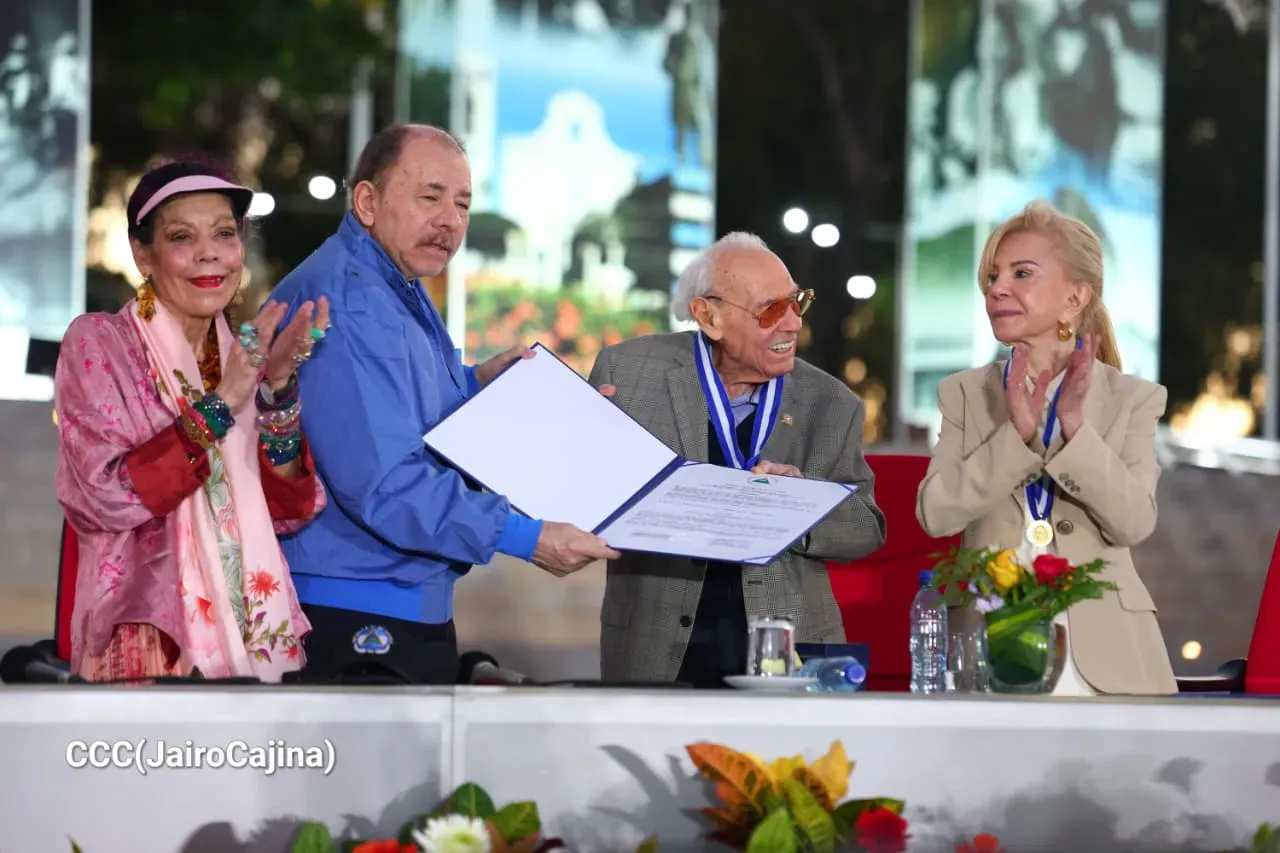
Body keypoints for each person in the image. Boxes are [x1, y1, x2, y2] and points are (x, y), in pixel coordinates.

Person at [269, 124, 618, 685]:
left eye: (462, 203)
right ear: (367, 201)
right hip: (359, 606)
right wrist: (527, 537)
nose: (450, 220)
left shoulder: (390, 282)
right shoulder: (352, 302)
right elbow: (386, 485)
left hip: (390, 593)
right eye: (430, 197)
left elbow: (399, 409)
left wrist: (478, 385)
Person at [54, 157, 328, 682]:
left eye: (225, 233)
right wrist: (221, 404)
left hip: (249, 637)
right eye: (182, 237)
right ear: (143, 254)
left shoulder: (239, 357)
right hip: (148, 641)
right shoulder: (100, 344)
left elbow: (290, 508)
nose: (210, 254)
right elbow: (105, 494)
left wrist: (275, 390)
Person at [589, 231, 886, 687]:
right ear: (709, 316)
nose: (792, 324)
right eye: (771, 310)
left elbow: (867, 528)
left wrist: (800, 503)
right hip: (655, 644)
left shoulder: (830, 403)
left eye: (796, 303)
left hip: (788, 649)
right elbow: (586, 487)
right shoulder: (627, 373)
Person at [915, 199, 1176, 696]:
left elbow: (1135, 522)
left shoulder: (1133, 398)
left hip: (1107, 655)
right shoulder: (965, 394)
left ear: (1076, 297)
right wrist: (1017, 437)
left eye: (1022, 273)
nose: (997, 290)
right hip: (991, 647)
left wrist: (1075, 430)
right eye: (993, 277)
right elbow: (936, 513)